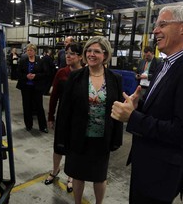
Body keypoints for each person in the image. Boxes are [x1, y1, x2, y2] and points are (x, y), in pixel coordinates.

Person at [111, 5, 183, 204]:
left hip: (161, 174)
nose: (155, 30)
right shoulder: (164, 64)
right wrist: (137, 107)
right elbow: (161, 108)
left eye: (162, 24)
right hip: (146, 164)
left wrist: (133, 118)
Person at [55, 36, 123, 204]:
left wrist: (117, 138)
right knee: (78, 175)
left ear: (105, 55)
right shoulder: (76, 76)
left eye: (96, 51)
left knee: (99, 177)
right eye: (89, 51)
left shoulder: (115, 79)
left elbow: (118, 110)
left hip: (102, 139)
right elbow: (65, 110)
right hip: (78, 137)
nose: (91, 54)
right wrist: (61, 140)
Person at [44, 42, 84, 193]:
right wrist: (50, 116)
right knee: (59, 146)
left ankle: (71, 176)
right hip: (63, 115)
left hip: (79, 118)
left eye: (72, 53)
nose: (68, 56)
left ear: (80, 57)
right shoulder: (61, 73)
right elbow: (54, 97)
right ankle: (55, 170)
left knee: (74, 147)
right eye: (67, 53)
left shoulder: (86, 73)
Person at [16, 43, 49, 133]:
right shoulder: (23, 61)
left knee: (39, 106)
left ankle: (43, 126)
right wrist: (26, 76)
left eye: (31, 50)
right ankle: (28, 125)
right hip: (26, 87)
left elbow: (45, 73)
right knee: (27, 106)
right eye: (28, 50)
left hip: (37, 87)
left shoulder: (40, 61)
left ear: (35, 51)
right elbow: (18, 73)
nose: (29, 52)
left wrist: (35, 76)